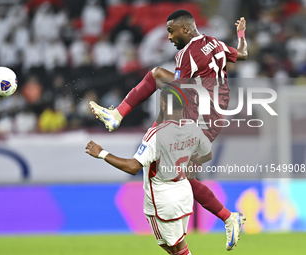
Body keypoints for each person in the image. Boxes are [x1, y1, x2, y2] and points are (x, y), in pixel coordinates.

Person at [89, 10, 247, 251]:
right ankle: (228, 217)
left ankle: (117, 114)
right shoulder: (214, 43)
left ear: (185, 29)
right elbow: (243, 54)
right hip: (214, 115)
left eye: (171, 31)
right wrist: (241, 34)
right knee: (184, 175)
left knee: (155, 77)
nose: (170, 37)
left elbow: (177, 93)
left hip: (198, 115)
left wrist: (160, 126)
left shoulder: (187, 55)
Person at [86, 85, 214, 255]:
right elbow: (207, 154)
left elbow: (133, 167)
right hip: (183, 195)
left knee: (176, 248)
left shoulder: (155, 135)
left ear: (163, 105)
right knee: (174, 248)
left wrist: (102, 153)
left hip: (163, 200)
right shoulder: (192, 128)